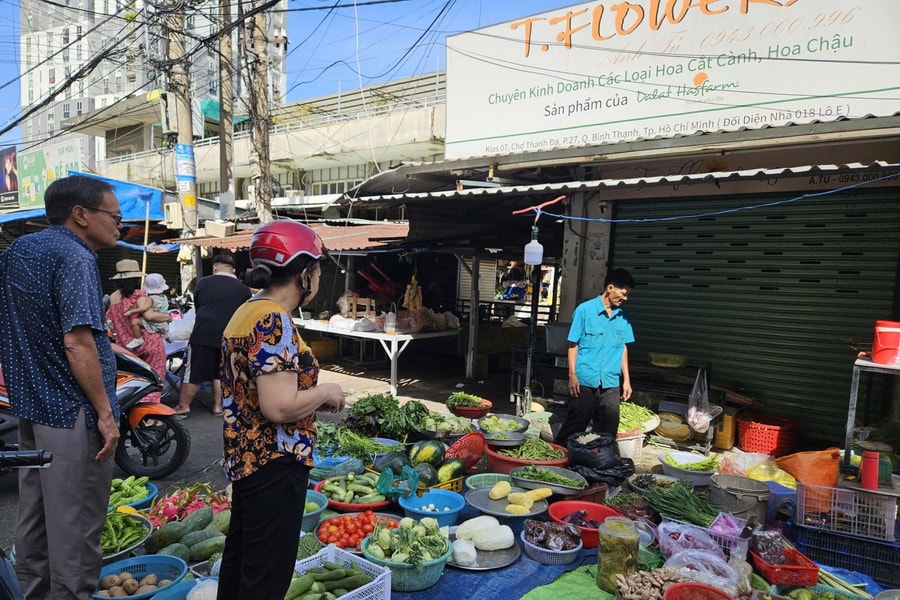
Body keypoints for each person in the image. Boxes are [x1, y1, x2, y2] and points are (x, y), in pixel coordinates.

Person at [0, 175, 122, 599]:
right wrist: (105, 414)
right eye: (114, 215)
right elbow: (77, 340)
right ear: (81, 214)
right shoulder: (75, 257)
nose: (119, 225)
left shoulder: (18, 249)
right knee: (77, 528)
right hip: (71, 413)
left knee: (34, 522)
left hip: (32, 408)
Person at [217, 220, 346, 600]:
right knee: (266, 579)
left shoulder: (248, 310)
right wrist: (325, 392)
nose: (319, 277)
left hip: (247, 461)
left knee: (242, 564)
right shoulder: (273, 320)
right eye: (318, 269)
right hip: (273, 464)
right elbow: (278, 407)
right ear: (304, 274)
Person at [554, 268, 635, 446]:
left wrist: (627, 380)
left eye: (628, 295)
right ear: (610, 288)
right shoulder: (584, 310)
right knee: (576, 423)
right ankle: (559, 457)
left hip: (611, 381)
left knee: (608, 430)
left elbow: (623, 347)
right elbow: (572, 344)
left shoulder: (623, 315)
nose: (625, 298)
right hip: (584, 379)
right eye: (623, 294)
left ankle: (595, 465)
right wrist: (572, 375)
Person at [173, 254, 251, 418]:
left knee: (195, 371)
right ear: (234, 270)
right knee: (221, 371)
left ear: (215, 267)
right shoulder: (244, 290)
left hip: (204, 333)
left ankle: (183, 406)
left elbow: (198, 306)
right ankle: (218, 406)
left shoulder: (203, 283)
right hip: (230, 335)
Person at [106, 259, 170, 402]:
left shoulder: (112, 297)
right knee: (155, 381)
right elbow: (149, 316)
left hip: (126, 347)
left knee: (135, 385)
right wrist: (168, 317)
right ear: (135, 278)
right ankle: (150, 416)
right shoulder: (139, 295)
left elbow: (110, 322)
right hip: (150, 343)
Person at [124, 273, 171, 348]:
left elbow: (144, 309)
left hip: (154, 324)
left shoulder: (151, 298)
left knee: (134, 322)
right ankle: (165, 335)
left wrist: (131, 312)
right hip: (163, 323)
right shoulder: (164, 297)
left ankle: (138, 339)